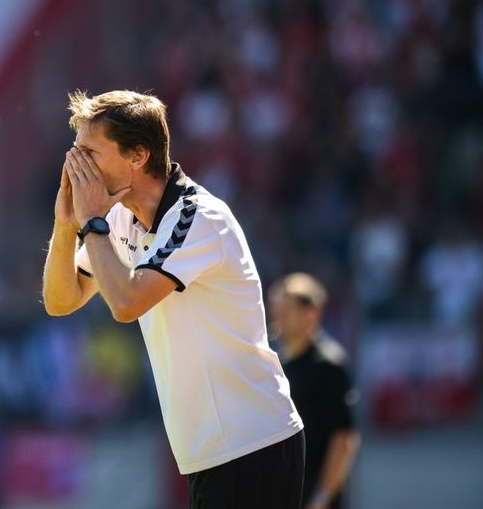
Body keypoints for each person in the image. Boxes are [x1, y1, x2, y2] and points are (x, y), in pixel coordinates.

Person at [41, 90, 305, 509]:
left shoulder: (198, 218)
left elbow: (126, 304)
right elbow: (61, 299)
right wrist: (66, 223)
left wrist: (91, 222)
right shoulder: (118, 217)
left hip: (250, 442)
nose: (77, 165)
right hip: (211, 451)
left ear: (138, 156)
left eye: (90, 151)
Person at [269, 273, 360, 509]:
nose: (279, 317)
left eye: (287, 310)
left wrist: (321, 498)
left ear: (312, 313)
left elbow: (344, 439)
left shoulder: (328, 365)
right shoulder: (276, 361)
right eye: (277, 309)